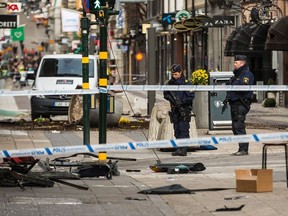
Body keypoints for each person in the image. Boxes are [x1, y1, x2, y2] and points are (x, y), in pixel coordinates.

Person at [225, 55, 255, 156]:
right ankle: (241, 148)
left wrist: (232, 86)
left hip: (241, 104)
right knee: (235, 127)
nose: (234, 64)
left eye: (236, 63)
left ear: (242, 63)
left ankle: (244, 149)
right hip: (235, 104)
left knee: (239, 126)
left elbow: (243, 88)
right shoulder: (237, 74)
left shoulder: (246, 74)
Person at [163, 64, 195, 156]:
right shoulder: (170, 83)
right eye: (173, 74)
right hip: (175, 109)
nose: (174, 76)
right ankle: (179, 148)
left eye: (176, 74)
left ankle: (184, 149)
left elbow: (191, 96)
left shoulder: (187, 83)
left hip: (184, 109)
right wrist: (172, 100)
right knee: (176, 129)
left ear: (180, 72)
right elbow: (166, 94)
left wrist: (181, 102)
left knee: (184, 129)